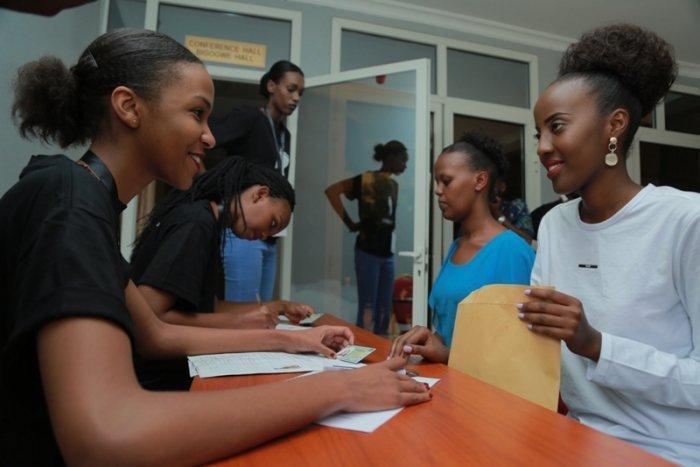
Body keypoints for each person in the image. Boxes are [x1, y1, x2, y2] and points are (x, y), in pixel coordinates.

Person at [0, 29, 430, 465]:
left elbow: (155, 334)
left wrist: (288, 340)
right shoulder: (71, 203)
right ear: (129, 107)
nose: (209, 137)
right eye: (197, 113)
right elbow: (109, 435)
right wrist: (341, 387)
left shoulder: (85, 198)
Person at [518, 24, 699, 464]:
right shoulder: (554, 225)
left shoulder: (685, 221)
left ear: (614, 125)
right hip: (575, 439)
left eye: (556, 127)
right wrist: (452, 351)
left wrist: (597, 344)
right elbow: (537, 343)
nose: (542, 147)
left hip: (668, 451)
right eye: (538, 134)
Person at [130, 156, 345, 390]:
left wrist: (277, 306)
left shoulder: (208, 221)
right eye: (272, 223)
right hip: (154, 380)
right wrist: (240, 323)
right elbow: (148, 316)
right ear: (259, 194)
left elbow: (206, 307)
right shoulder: (196, 223)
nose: (264, 235)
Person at [389, 132, 535, 362]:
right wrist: (427, 339)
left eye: (446, 181)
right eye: (436, 182)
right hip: (448, 378)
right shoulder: (458, 245)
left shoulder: (511, 251)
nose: (438, 190)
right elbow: (449, 329)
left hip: (480, 385)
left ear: (480, 181)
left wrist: (448, 356)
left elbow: (515, 352)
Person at [209, 60, 305, 302]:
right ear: (271, 86)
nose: (296, 98)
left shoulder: (285, 135)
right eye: (291, 89)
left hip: (269, 235)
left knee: (261, 310)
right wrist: (205, 187)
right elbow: (205, 138)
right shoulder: (250, 118)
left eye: (300, 93)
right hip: (245, 230)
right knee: (243, 312)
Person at [325, 141, 408, 335]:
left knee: (385, 305)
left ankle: (381, 346)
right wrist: (349, 223)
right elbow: (332, 192)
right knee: (368, 305)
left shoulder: (394, 185)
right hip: (367, 250)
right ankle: (363, 344)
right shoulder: (366, 179)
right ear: (391, 158)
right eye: (403, 160)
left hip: (387, 253)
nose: (405, 165)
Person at [490, 179, 535, 244]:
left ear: (502, 186)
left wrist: (499, 216)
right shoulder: (477, 210)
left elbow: (527, 240)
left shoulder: (515, 207)